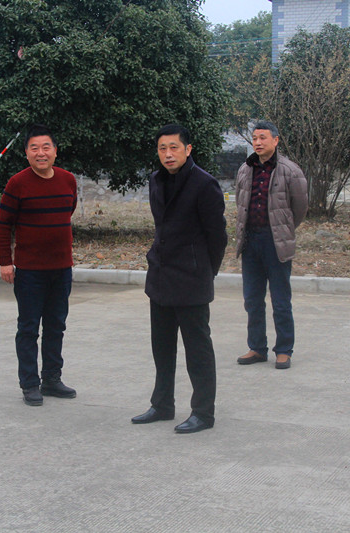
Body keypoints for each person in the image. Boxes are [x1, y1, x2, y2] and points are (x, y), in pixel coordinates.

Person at [132, 124, 228, 434]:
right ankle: (162, 405)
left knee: (198, 351)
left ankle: (203, 413)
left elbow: (217, 237)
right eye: (162, 148)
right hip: (160, 277)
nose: (168, 154)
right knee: (162, 349)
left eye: (174, 147)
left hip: (191, 281)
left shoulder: (204, 184)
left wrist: (205, 271)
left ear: (188, 149)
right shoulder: (156, 180)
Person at [0, 124, 78, 407]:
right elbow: (3, 225)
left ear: (55, 151)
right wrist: (6, 262)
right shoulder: (17, 183)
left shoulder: (68, 180)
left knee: (56, 325)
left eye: (46, 147)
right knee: (29, 328)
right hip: (30, 271)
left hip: (61, 268)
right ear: (26, 153)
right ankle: (30, 384)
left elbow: (67, 212)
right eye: (34, 148)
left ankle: (52, 379)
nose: (41, 153)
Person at [234, 121, 308, 370]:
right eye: (255, 138)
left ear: (276, 140)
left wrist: (283, 228)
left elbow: (300, 207)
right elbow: (240, 202)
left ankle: (284, 350)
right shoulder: (245, 169)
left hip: (276, 242)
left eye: (263, 138)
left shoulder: (290, 170)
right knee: (252, 299)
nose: (258, 142)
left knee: (280, 300)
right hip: (250, 241)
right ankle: (257, 347)